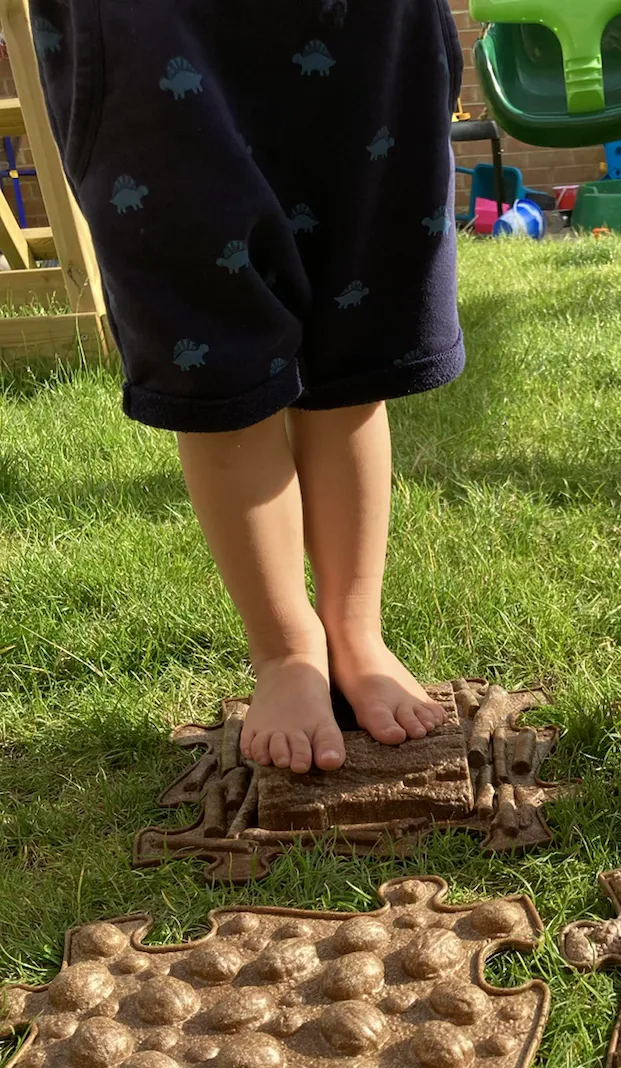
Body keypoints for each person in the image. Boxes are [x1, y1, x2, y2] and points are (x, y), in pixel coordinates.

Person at [30, 0, 465, 773]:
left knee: (356, 343)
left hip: (362, 26)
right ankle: (287, 652)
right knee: (214, 361)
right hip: (156, 28)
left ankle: (354, 632)